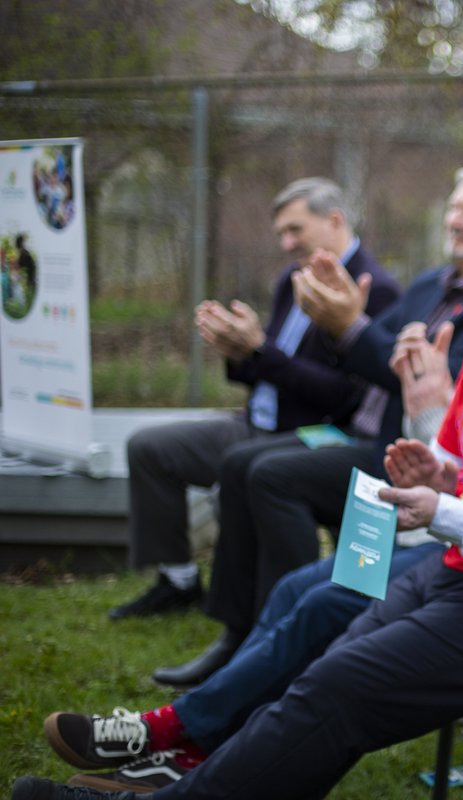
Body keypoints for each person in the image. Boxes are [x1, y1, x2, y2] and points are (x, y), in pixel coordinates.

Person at [14, 178, 463, 800]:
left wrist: (443, 507)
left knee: (339, 671)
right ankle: (184, 750)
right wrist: (439, 471)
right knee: (317, 624)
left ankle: (179, 761)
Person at [149, 165, 463, 690]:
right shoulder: (427, 285)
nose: (454, 217)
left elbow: (414, 379)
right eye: (453, 205)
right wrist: (314, 330)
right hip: (372, 442)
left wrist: (347, 324)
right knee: (240, 466)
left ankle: (274, 641)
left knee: (271, 478)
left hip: (413, 464)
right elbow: (359, 361)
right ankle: (241, 635)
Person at [108, 178, 402, 628]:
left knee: (259, 469)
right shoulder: (293, 278)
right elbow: (271, 361)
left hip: (315, 430)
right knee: (150, 447)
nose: (286, 244)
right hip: (259, 417)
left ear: (335, 220)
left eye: (295, 230)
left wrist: (260, 352)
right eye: (281, 233)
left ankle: (276, 620)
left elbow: (346, 397)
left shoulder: (373, 287)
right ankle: (181, 582)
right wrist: (239, 350)